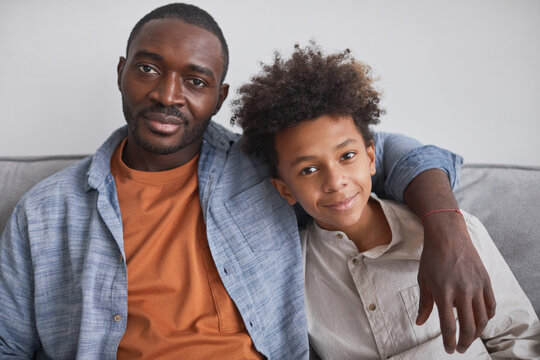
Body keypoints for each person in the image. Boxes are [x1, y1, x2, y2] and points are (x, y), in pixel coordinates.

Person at [0, 3, 493, 359]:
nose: (167, 95)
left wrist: (449, 233)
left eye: (195, 81)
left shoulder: (266, 166)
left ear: (219, 96)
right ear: (121, 72)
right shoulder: (46, 212)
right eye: (148, 69)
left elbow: (390, 152)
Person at [232, 43, 540, 359]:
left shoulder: (460, 234)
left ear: (371, 158)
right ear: (285, 190)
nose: (336, 181)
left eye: (347, 156)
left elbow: (518, 339)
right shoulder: (290, 273)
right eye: (309, 169)